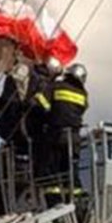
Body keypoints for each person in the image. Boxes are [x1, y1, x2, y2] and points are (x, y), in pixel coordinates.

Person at [41, 62, 89, 202]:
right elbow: (82, 109)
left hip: (56, 135)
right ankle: (76, 200)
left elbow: (41, 104)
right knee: (71, 170)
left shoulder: (56, 86)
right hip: (74, 138)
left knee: (53, 169)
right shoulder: (83, 94)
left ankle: (54, 200)